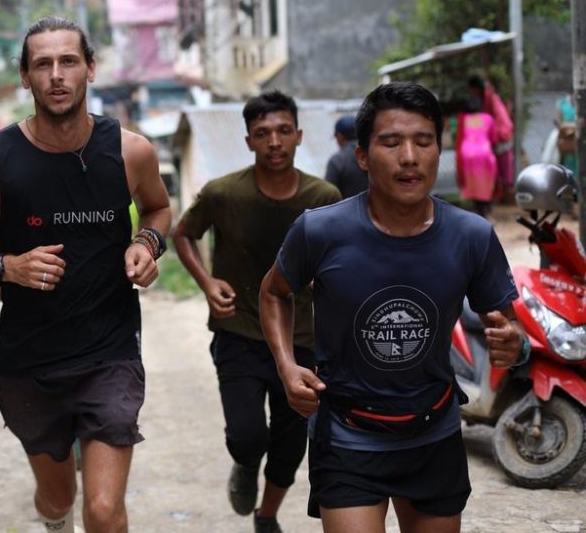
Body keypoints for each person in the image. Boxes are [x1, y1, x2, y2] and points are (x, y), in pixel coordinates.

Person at [0, 16, 171, 533]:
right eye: (43, 64)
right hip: (29, 362)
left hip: (110, 353)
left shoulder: (131, 151)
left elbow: (157, 210)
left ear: (90, 69)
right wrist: (4, 266)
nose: (56, 75)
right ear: (25, 77)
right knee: (58, 499)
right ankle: (53, 516)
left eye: (68, 61)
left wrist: (147, 244)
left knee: (102, 511)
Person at [259, 82, 526, 533]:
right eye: (391, 142)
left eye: (424, 142)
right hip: (347, 434)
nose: (409, 157)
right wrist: (287, 367)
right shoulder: (321, 231)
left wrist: (513, 344)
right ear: (362, 156)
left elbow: (506, 323)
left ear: (439, 150)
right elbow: (273, 292)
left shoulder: (471, 236)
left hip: (434, 432)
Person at [173, 91, 341, 533]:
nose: (274, 142)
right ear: (248, 140)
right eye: (263, 133)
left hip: (301, 337)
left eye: (284, 131)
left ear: (299, 136)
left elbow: (341, 260)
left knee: (289, 446)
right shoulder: (224, 193)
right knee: (247, 435)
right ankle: (245, 464)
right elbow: (184, 234)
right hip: (239, 332)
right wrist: (207, 282)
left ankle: (266, 516)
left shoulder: (323, 197)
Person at [468, 76, 513, 198]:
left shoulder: (490, 98)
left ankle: (501, 193)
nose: (471, 93)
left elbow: (496, 119)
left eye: (472, 90)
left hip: (501, 135)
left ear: (476, 88)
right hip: (498, 135)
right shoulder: (486, 97)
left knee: (499, 166)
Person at [454, 98, 497, 217]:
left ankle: (478, 207)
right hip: (484, 152)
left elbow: (457, 137)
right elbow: (494, 138)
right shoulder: (488, 118)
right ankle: (485, 205)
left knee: (472, 181)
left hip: (467, 153)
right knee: (485, 180)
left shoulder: (463, 119)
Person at [324, 114, 367, 198]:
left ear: (340, 136)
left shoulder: (337, 161)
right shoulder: (372, 155)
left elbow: (327, 195)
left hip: (346, 210)